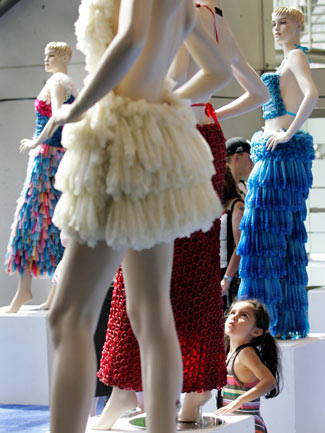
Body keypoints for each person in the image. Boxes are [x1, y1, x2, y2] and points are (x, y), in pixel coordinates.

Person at [41, 1, 235, 433]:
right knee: (150, 312)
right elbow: (218, 71)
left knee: (69, 314)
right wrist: (162, 104)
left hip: (121, 137)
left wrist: (75, 108)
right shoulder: (186, 5)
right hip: (158, 141)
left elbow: (129, 40)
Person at [94, 0, 269, 428]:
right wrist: (210, 111)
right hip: (206, 140)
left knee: (141, 272)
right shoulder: (217, 21)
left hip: (171, 138)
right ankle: (193, 398)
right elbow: (258, 93)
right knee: (192, 272)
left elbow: (164, 80)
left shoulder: (178, 13)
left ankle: (124, 392)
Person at [237, 7, 319, 339]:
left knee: (263, 234)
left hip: (280, 157)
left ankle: (259, 325)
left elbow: (312, 94)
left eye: (283, 22)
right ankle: (272, 324)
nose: (276, 28)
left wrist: (287, 133)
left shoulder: (297, 57)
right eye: (273, 23)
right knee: (276, 238)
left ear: (299, 25)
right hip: (276, 155)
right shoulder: (287, 61)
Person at [4, 41, 77, 314]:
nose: (45, 59)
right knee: (54, 225)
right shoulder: (67, 82)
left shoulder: (58, 81)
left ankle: (26, 290)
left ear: (64, 57)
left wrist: (37, 142)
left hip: (47, 160)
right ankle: (51, 296)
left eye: (51, 55)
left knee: (31, 219)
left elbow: (59, 114)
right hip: (56, 158)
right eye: (45, 55)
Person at [215, 299, 281, 433]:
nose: (234, 317)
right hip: (238, 425)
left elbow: (269, 382)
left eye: (243, 315)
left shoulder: (245, 353)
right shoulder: (231, 353)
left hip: (249, 426)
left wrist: (239, 401)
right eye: (232, 312)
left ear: (256, 332)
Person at [220, 137, 253, 311]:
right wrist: (227, 276)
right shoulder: (220, 192)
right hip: (225, 269)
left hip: (239, 269)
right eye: (249, 157)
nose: (252, 163)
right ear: (237, 157)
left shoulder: (247, 189)